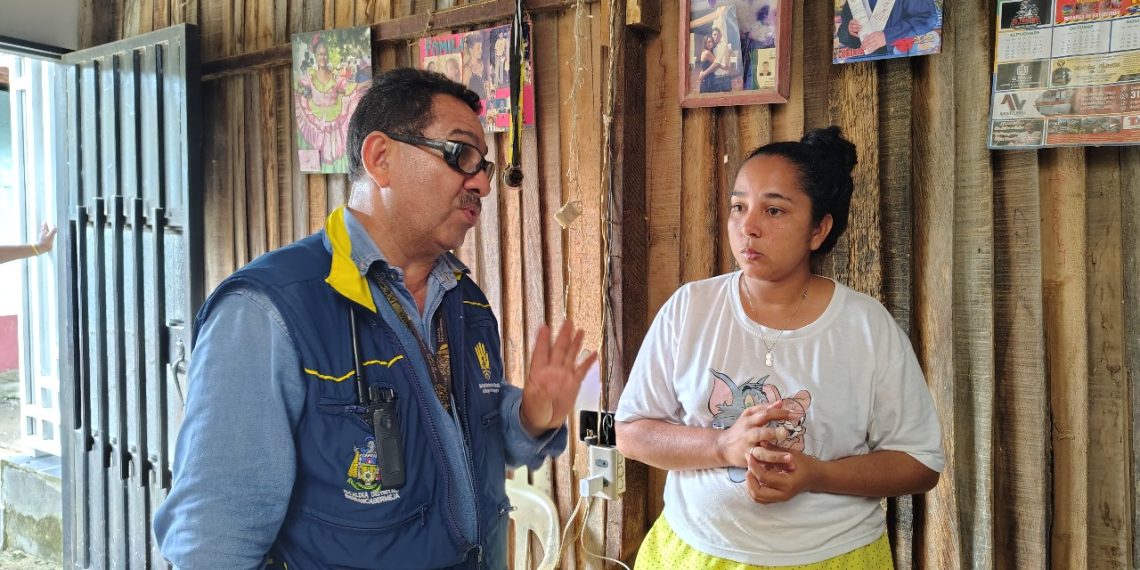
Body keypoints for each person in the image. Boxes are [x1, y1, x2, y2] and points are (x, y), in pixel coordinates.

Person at [154, 67, 596, 568]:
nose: (481, 184)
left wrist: (532, 417)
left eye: (484, 167)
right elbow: (214, 544)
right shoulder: (267, 314)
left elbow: (467, 443)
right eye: (461, 155)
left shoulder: (464, 300)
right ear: (380, 158)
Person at [615, 127, 943, 569]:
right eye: (738, 206)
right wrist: (722, 445)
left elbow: (919, 463)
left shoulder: (866, 327)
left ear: (818, 229)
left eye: (773, 210)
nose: (747, 227)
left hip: (832, 558)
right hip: (696, 553)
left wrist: (817, 474)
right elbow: (631, 431)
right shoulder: (691, 308)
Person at [294, 37, 366, 171]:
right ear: (315, 55)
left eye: (325, 54)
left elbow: (350, 88)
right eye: (320, 54)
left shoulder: (334, 77)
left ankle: (341, 170)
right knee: (318, 148)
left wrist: (367, 83)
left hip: (334, 116)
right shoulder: (311, 76)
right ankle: (314, 166)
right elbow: (299, 82)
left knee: (334, 150)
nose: (323, 57)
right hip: (315, 117)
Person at [836, 0, 939, 57]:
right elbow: (843, 30)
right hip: (859, 63)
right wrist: (849, 29)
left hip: (901, 59)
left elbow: (927, 18)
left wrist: (888, 36)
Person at [698, 28, 733, 93]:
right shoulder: (710, 50)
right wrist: (703, 72)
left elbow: (716, 64)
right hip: (712, 80)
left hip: (724, 78)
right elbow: (715, 64)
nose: (716, 36)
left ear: (721, 36)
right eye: (714, 34)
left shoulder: (723, 45)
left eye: (718, 35)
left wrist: (703, 73)